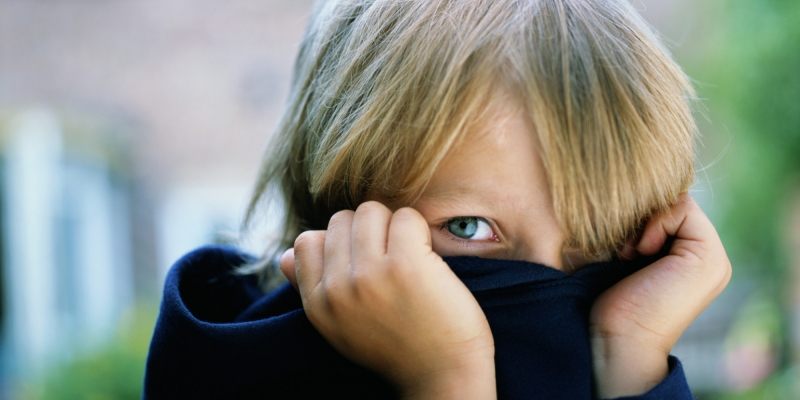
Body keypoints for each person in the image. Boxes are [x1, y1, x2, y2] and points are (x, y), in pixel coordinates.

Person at [144, 0, 732, 399]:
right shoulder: (243, 379)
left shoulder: (628, 348)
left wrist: (630, 356)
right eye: (469, 227)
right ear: (336, 203)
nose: (549, 279)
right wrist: (447, 379)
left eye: (605, 236)